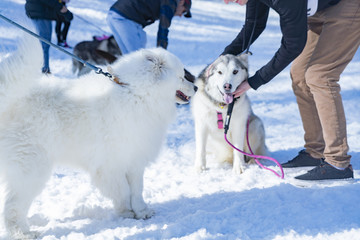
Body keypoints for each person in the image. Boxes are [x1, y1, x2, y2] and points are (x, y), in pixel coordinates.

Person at [221, 0, 360, 180]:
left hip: (346, 6)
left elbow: (292, 46)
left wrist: (254, 82)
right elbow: (253, 26)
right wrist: (222, 60)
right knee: (300, 74)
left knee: (320, 76)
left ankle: (338, 162)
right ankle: (315, 151)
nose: (226, 1)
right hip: (317, 13)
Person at [106, 0, 192, 55]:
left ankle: (127, 80)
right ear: (181, 1)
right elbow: (163, 29)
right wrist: (162, 55)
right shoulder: (172, 2)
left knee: (130, 56)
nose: (181, 15)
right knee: (138, 58)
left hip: (114, 14)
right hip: (124, 18)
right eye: (184, 11)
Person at [25, 0, 73, 74]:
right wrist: (63, 9)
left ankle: (43, 68)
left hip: (38, 11)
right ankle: (45, 70)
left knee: (42, 42)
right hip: (41, 13)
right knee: (44, 43)